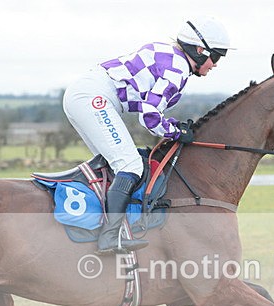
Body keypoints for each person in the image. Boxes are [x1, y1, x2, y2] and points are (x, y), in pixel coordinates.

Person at [62, 17, 232, 254]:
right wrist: (175, 131)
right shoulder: (178, 68)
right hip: (93, 97)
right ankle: (109, 238)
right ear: (201, 50)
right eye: (216, 57)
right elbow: (150, 116)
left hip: (86, 94)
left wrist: (173, 127)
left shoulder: (172, 56)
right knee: (130, 165)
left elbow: (150, 110)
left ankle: (101, 228)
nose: (215, 64)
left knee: (115, 166)